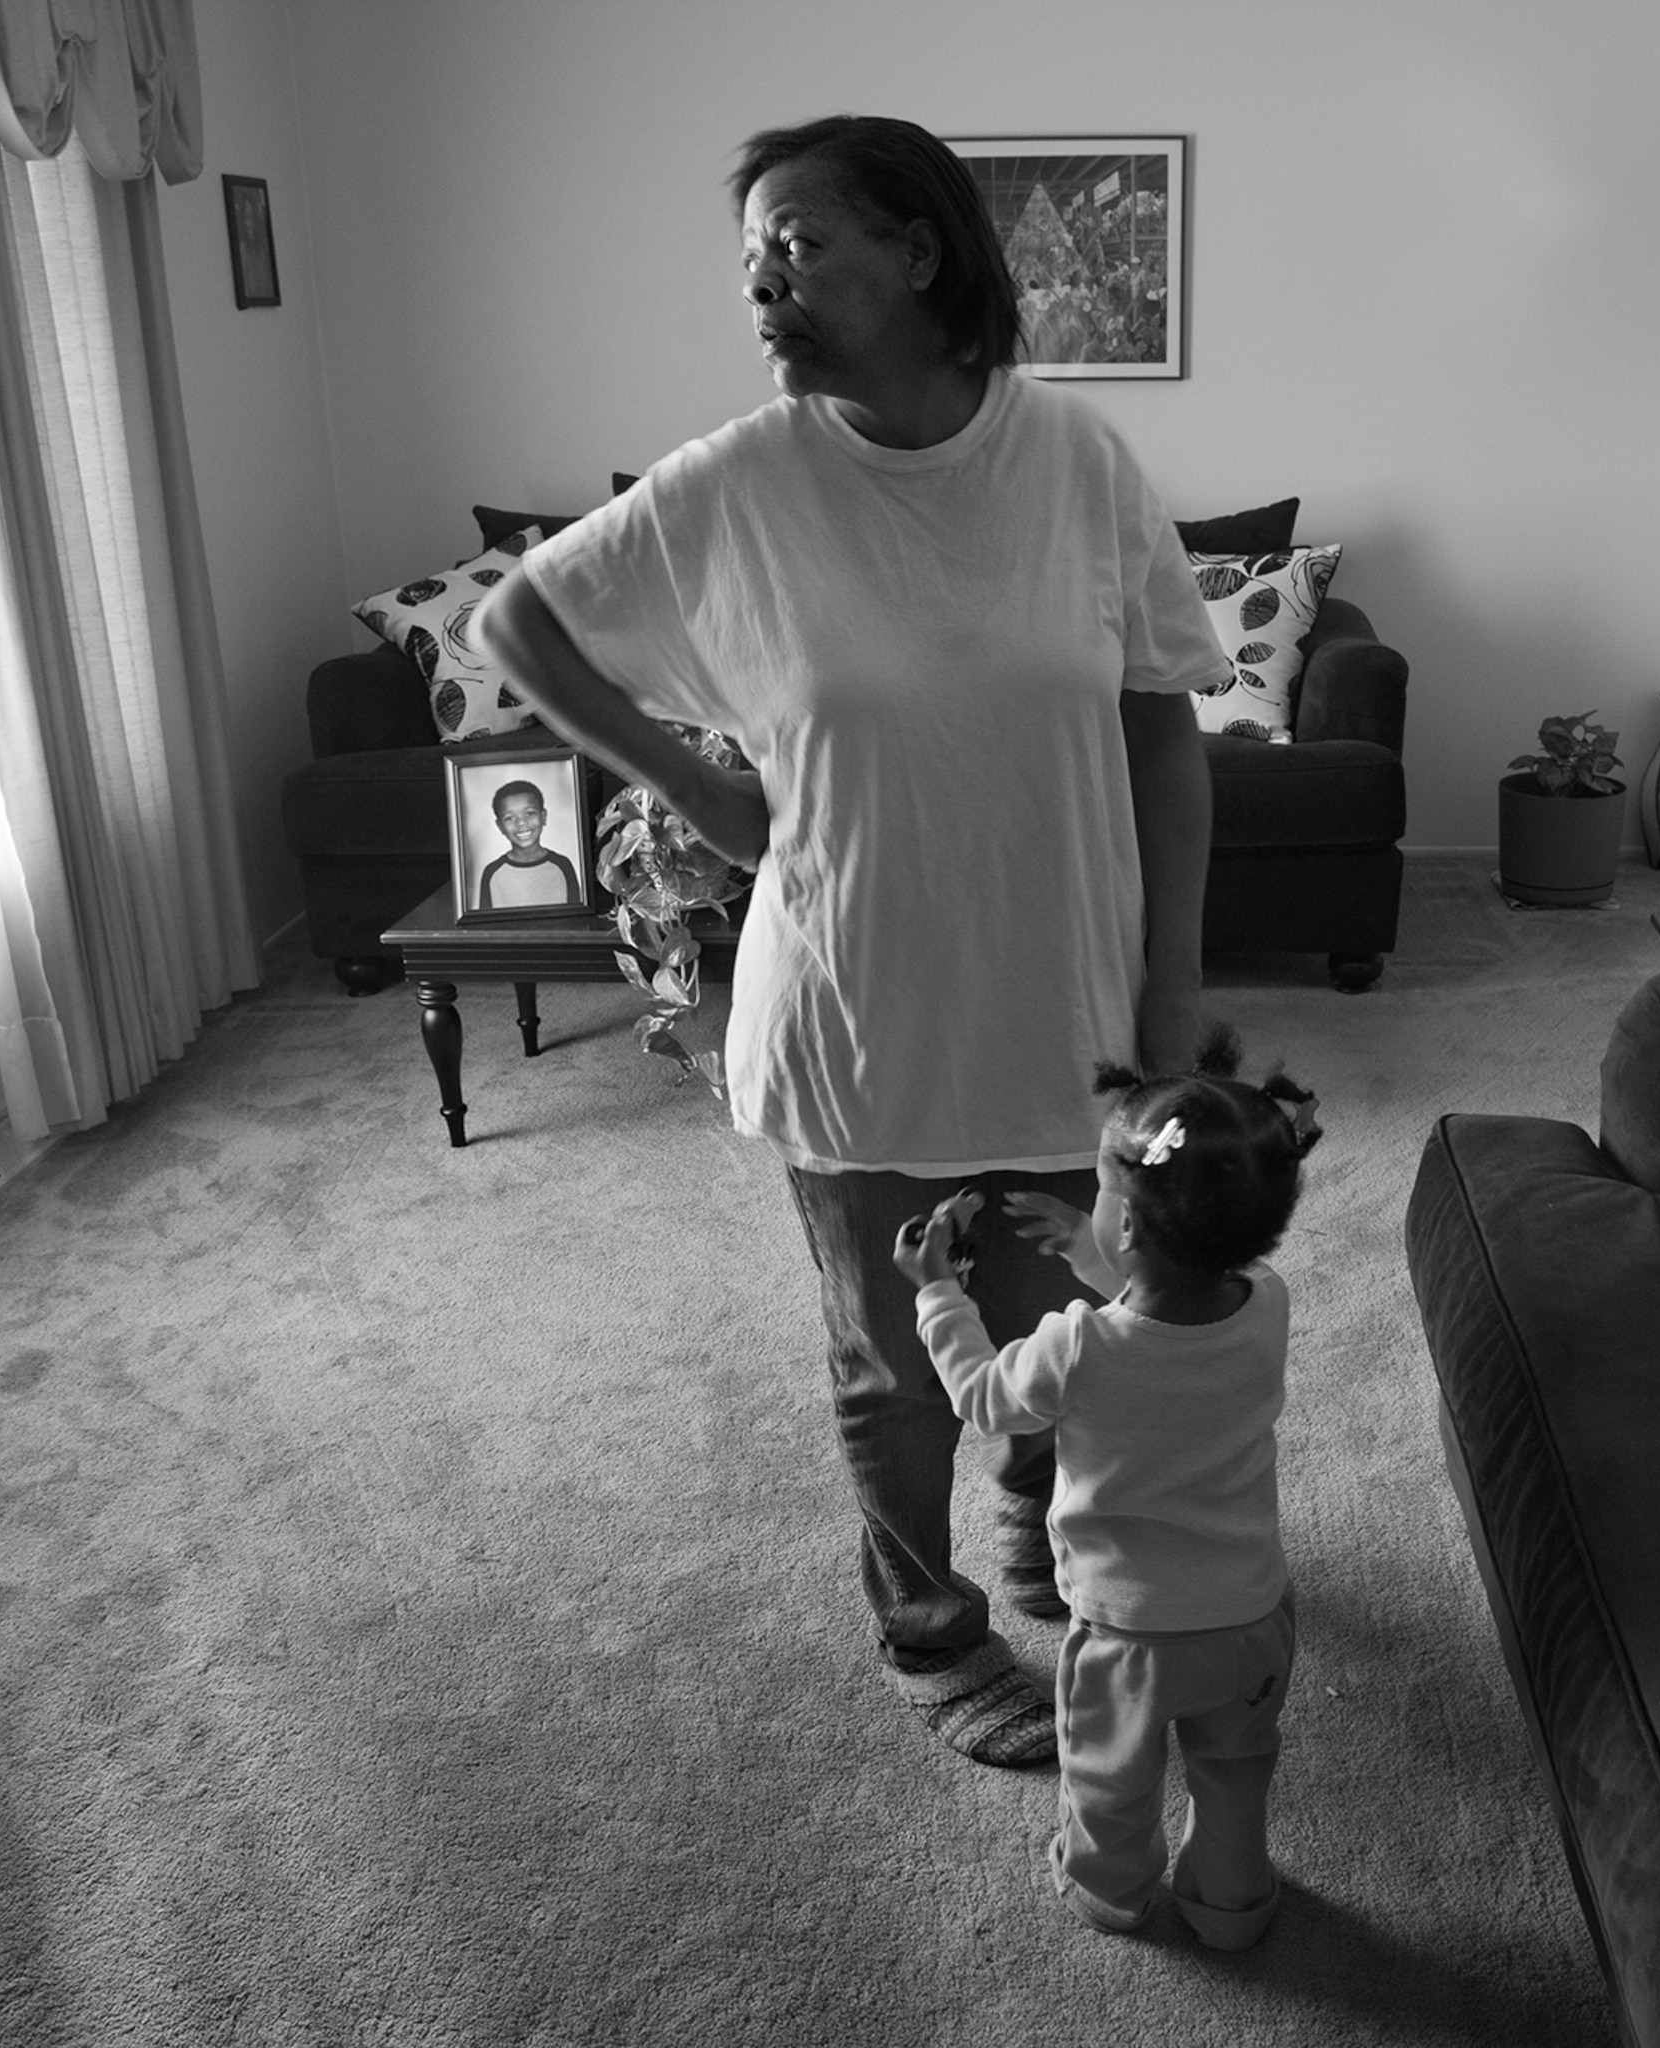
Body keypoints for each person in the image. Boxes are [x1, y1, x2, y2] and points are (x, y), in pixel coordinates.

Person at [469, 115, 1223, 1770]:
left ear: (920, 251)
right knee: (890, 1362)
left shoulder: (1077, 463)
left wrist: (1173, 981)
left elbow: (1163, 726)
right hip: (852, 1013)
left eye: (797, 246)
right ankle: (925, 1621)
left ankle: (1034, 1523)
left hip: (1063, 999)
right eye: (749, 255)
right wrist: (691, 776)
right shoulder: (741, 479)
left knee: (1066, 1318)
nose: (762, 285)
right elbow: (511, 614)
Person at [891, 1031, 1320, 1949]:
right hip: (1250, 1616)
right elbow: (1171, 1320)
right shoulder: (1268, 1301)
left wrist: (938, 1294)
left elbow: (984, 1397)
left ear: (1125, 1226)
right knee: (1237, 1770)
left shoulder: (1076, 1345)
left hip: (1129, 1632)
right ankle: (1232, 1903)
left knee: (1109, 1784)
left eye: (1101, 1192)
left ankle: (1112, 1896)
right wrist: (1099, 1262)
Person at [475, 778, 582, 910]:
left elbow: (575, 920)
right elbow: (486, 926)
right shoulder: (492, 873)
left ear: (543, 817)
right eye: (509, 818)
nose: (521, 823)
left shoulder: (562, 865)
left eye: (529, 813)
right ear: (500, 826)